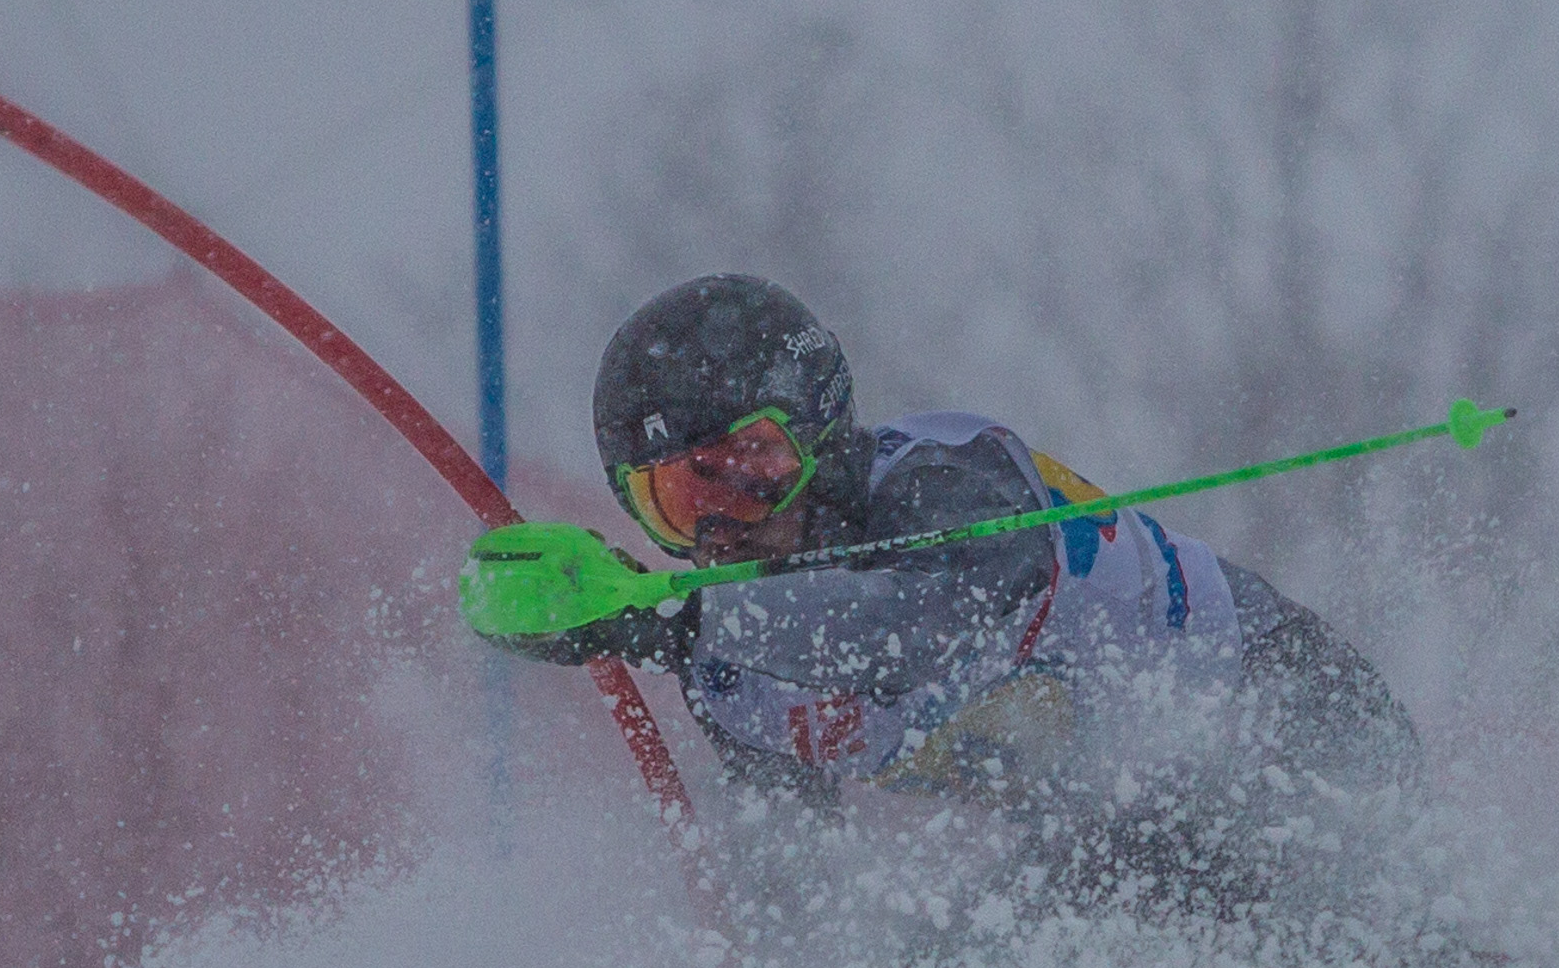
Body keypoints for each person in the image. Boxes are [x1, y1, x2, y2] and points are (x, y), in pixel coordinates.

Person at [471, 273, 1418, 900]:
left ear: (824, 430)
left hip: (1285, 714)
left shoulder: (941, 472)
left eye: (754, 465)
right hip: (1122, 823)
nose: (729, 525)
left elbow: (921, 624)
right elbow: (791, 876)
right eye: (679, 498)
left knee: (1056, 921)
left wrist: (670, 614)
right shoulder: (734, 667)